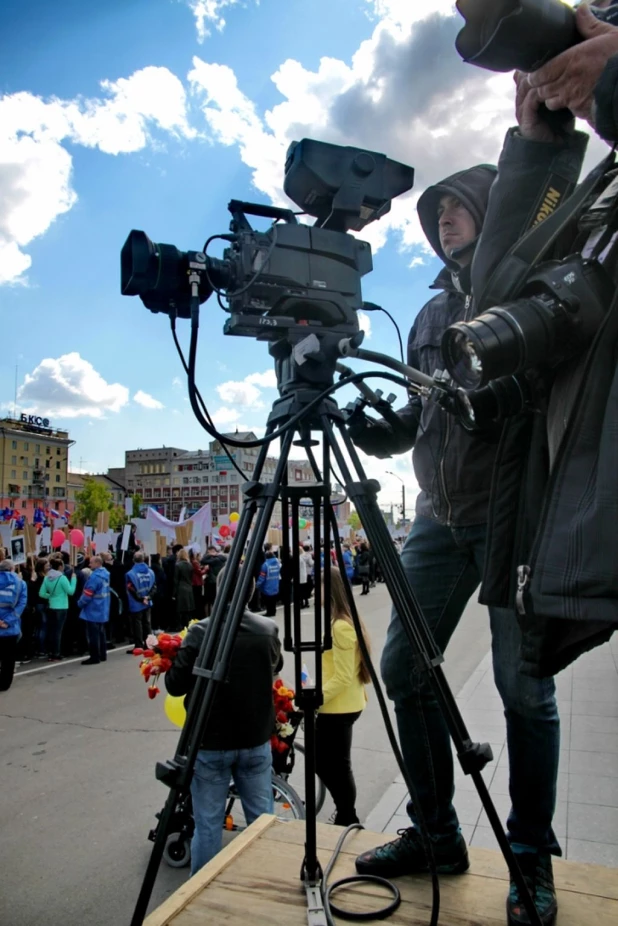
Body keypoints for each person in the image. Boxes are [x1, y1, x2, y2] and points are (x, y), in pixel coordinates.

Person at [348, 155, 587, 926]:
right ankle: (437, 834)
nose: (443, 218)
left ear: (494, 211)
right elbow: (425, 419)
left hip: (514, 515)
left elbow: (554, 392)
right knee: (403, 669)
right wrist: (384, 431)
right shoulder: (424, 318)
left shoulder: (529, 286)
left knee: (526, 688)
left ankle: (530, 860)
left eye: (456, 207)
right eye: (436, 213)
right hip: (438, 523)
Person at [165, 567, 282, 874]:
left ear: (216, 592)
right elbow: (276, 665)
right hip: (254, 738)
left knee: (208, 825)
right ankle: (265, 879)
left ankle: (203, 890)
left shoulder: (201, 632)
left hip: (211, 740)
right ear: (250, 593)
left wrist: (174, 660)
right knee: (262, 820)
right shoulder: (267, 629)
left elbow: (175, 685)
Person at [316, 568, 371, 826]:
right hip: (345, 703)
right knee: (336, 765)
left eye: (320, 587)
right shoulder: (346, 620)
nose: (316, 591)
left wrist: (313, 697)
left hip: (337, 707)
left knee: (331, 765)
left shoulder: (340, 626)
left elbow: (343, 676)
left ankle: (347, 815)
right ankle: (346, 814)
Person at [39, 554, 77, 661]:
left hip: (51, 605)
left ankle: (51, 652)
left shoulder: (47, 577)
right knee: (58, 631)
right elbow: (71, 591)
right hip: (62, 606)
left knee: (51, 630)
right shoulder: (62, 577)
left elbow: (41, 593)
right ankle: (56, 653)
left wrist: (50, 596)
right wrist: (74, 580)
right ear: (60, 567)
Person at [78, 556, 111, 665]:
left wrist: (80, 603)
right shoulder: (106, 574)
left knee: (93, 634)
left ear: (97, 563)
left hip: (93, 608)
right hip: (103, 607)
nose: (89, 565)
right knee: (101, 633)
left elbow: (88, 594)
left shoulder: (94, 577)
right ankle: (102, 654)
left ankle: (94, 656)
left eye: (91, 562)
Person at [0, 559, 27, 691]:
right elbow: (21, 605)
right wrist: (8, 621)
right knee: (8, 658)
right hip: (10, 628)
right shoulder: (20, 583)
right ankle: (5, 684)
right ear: (12, 569)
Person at [125, 551, 155, 653]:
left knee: (137, 624)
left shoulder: (130, 574)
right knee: (147, 623)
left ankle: (139, 645)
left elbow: (131, 588)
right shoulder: (151, 572)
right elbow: (154, 587)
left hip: (136, 603)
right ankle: (148, 644)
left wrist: (141, 599)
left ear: (133, 560)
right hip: (147, 601)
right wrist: (148, 597)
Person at [201, 546, 227, 616]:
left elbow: (202, 561)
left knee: (210, 600)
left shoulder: (214, 560)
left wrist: (209, 555)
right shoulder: (220, 558)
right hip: (218, 581)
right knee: (216, 599)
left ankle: (211, 615)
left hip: (211, 582)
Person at [173, 548, 194, 629]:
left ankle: (180, 626)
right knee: (188, 609)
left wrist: (174, 594)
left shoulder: (178, 565)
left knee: (180, 609)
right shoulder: (190, 565)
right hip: (189, 588)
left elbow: (176, 580)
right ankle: (188, 625)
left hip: (180, 589)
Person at [256, 549, 281, 617]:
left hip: (267, 585)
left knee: (268, 600)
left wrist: (257, 584)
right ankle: (273, 611)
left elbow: (262, 577)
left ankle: (269, 612)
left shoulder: (265, 565)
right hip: (275, 584)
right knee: (273, 600)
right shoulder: (277, 563)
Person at [190, 550, 205, 618]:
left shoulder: (192, 562)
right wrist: (206, 569)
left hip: (194, 583)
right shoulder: (195, 562)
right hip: (197, 583)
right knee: (198, 600)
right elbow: (200, 573)